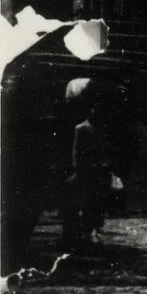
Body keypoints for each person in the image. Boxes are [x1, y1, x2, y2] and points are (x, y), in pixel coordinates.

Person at [65, 101, 113, 250]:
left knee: (101, 202)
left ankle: (96, 230)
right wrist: (78, 169)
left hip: (102, 170)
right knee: (89, 202)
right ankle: (88, 232)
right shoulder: (82, 128)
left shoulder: (103, 128)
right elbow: (76, 151)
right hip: (88, 171)